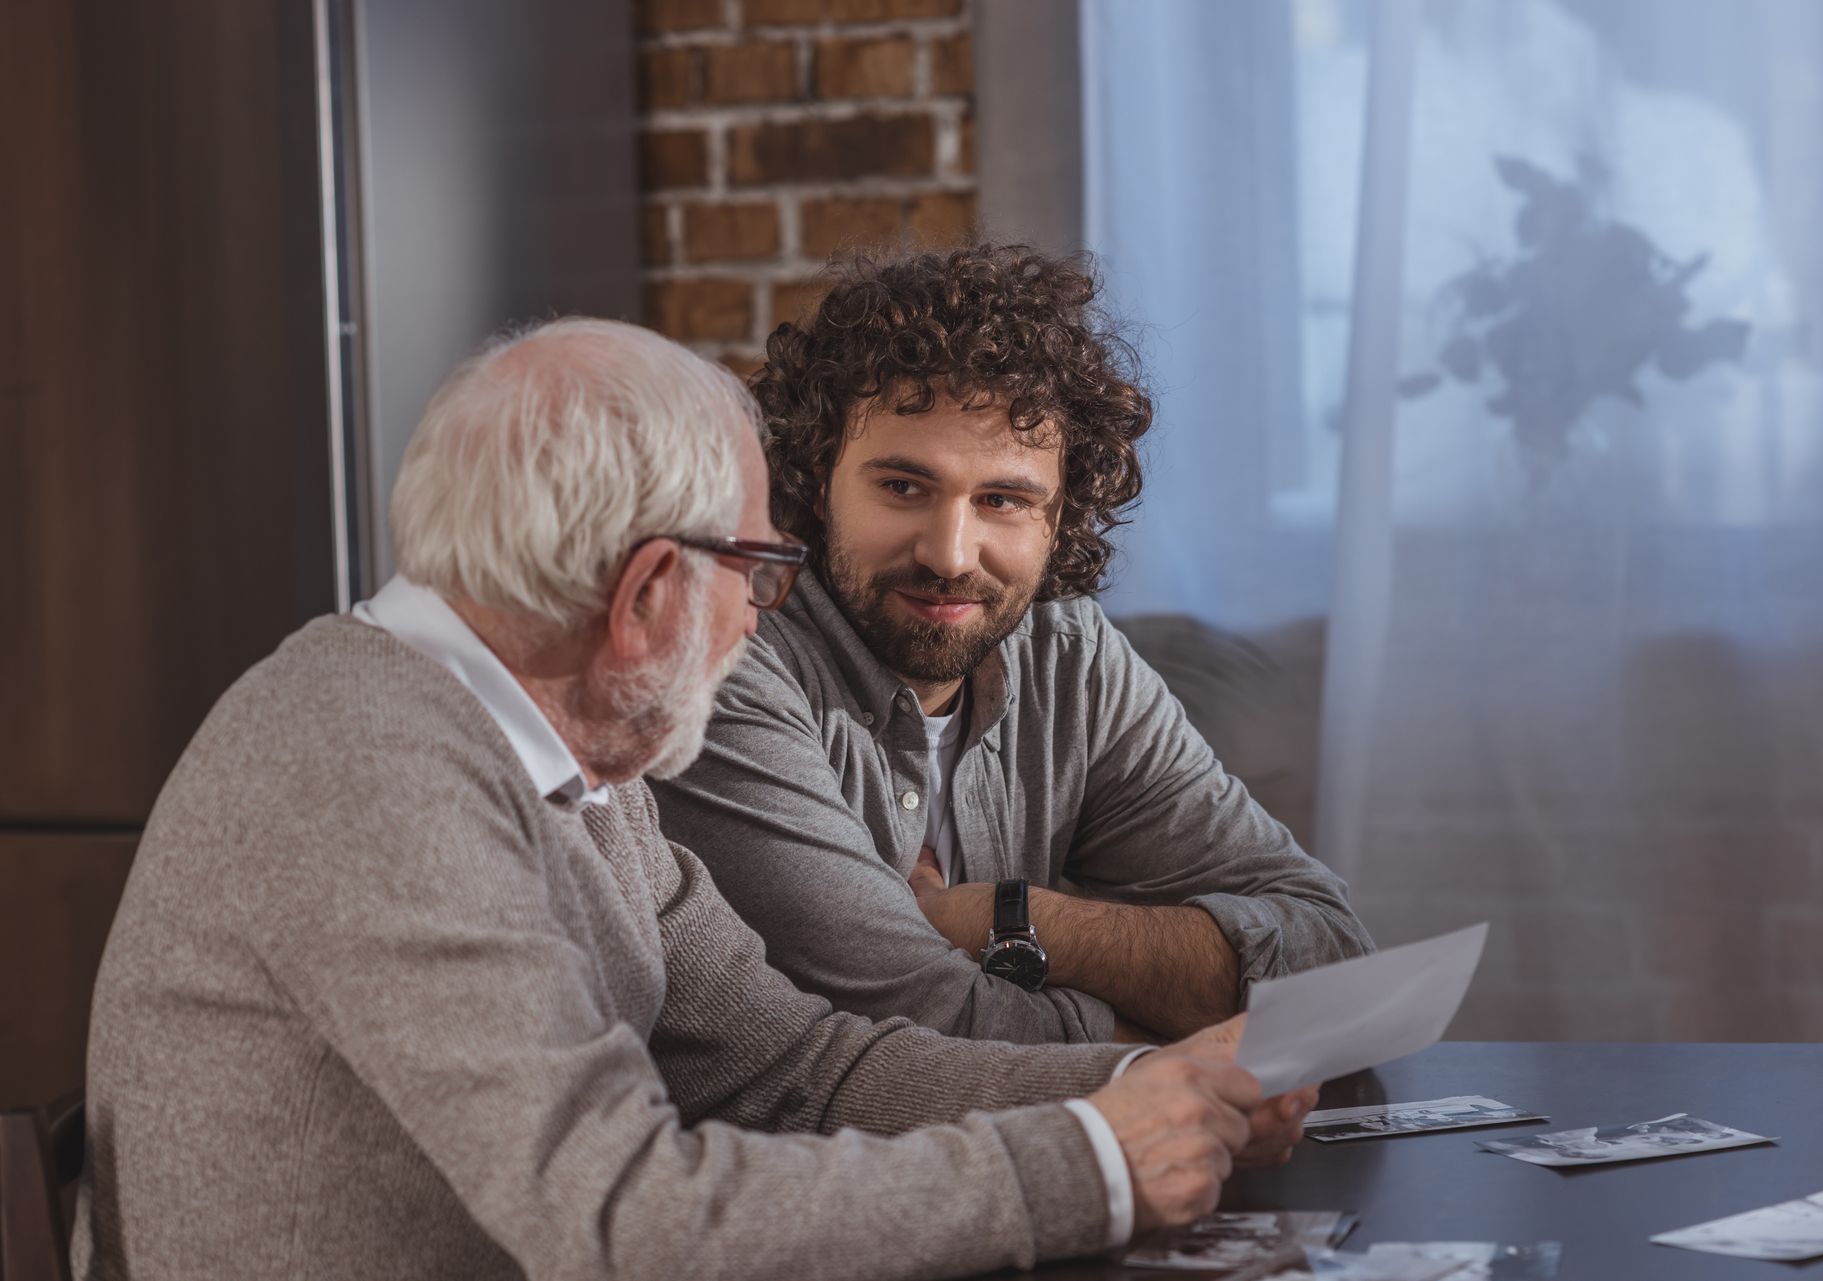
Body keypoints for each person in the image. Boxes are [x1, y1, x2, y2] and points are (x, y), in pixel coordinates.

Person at [71, 319, 1315, 1281]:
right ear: (652, 592)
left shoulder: (576, 771)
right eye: (765, 567)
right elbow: (620, 1218)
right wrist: (1093, 1162)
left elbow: (797, 1069)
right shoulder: (364, 767)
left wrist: (1149, 1086)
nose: (761, 616)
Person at [651, 246, 1375, 1045]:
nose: (950, 553)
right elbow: (918, 1034)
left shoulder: (1071, 659)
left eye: (1002, 499)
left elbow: (1336, 970)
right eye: (903, 487)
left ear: (1059, 515)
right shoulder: (733, 660)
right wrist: (1175, 1031)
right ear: (818, 477)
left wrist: (1012, 919)